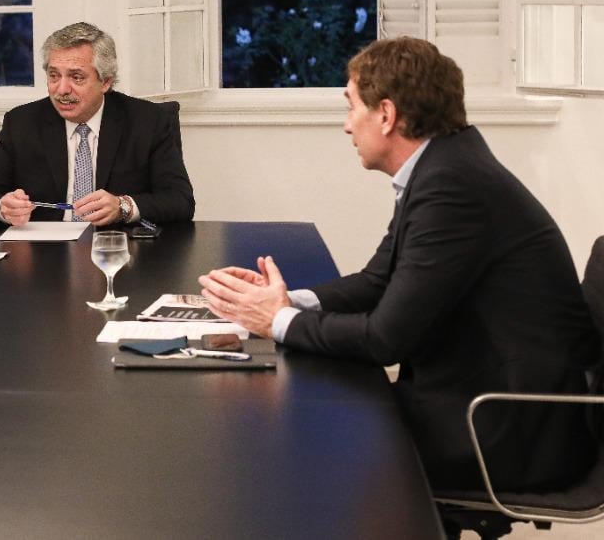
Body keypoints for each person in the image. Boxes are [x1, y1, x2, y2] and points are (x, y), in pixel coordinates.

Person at [199, 37, 600, 494]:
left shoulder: (452, 186)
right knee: (295, 414)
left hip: (506, 427)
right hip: (493, 402)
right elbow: (379, 280)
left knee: (282, 441)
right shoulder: (446, 166)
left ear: (386, 115)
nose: (347, 126)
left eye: (351, 107)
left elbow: (386, 338)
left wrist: (278, 321)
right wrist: (288, 302)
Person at [0, 22, 195, 227]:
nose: (61, 89)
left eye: (76, 77)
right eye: (54, 76)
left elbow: (180, 200)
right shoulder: (22, 123)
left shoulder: (148, 121)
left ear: (106, 82)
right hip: (46, 258)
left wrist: (123, 207)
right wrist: (3, 207)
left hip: (119, 251)